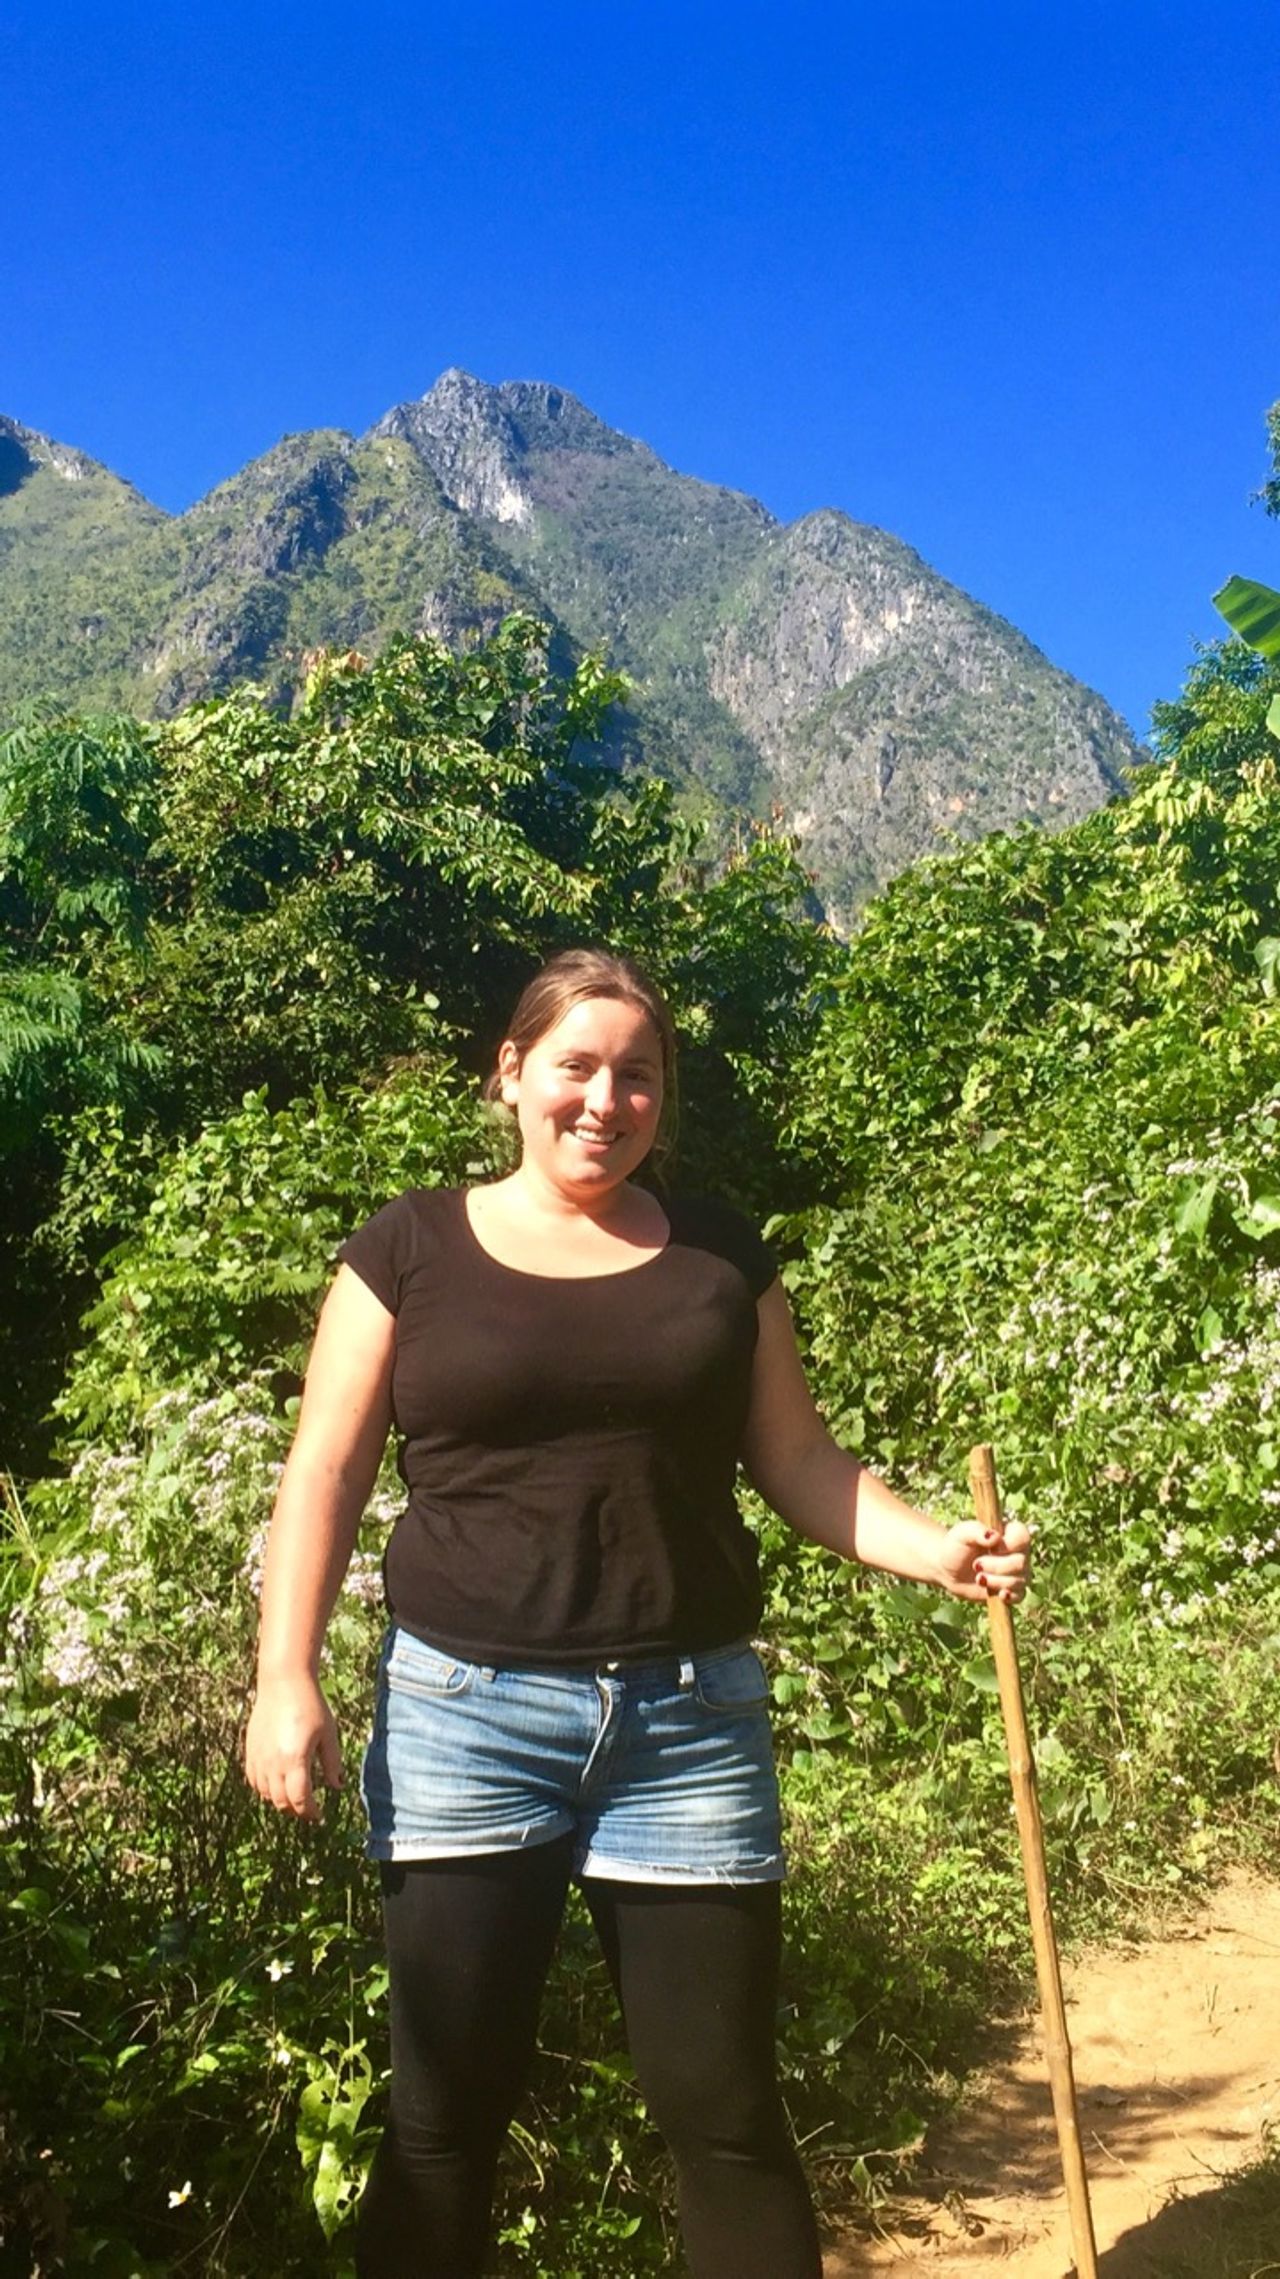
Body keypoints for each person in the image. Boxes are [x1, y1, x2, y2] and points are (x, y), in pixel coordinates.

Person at [244, 947, 1029, 2278]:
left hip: (688, 1726)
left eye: (638, 1076)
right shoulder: (408, 1247)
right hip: (464, 1719)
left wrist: (937, 1550)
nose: (605, 1101)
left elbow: (799, 1463)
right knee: (446, 2118)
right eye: (577, 1067)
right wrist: (286, 1678)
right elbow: (323, 1467)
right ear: (510, 1075)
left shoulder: (720, 1251)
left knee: (725, 2116)